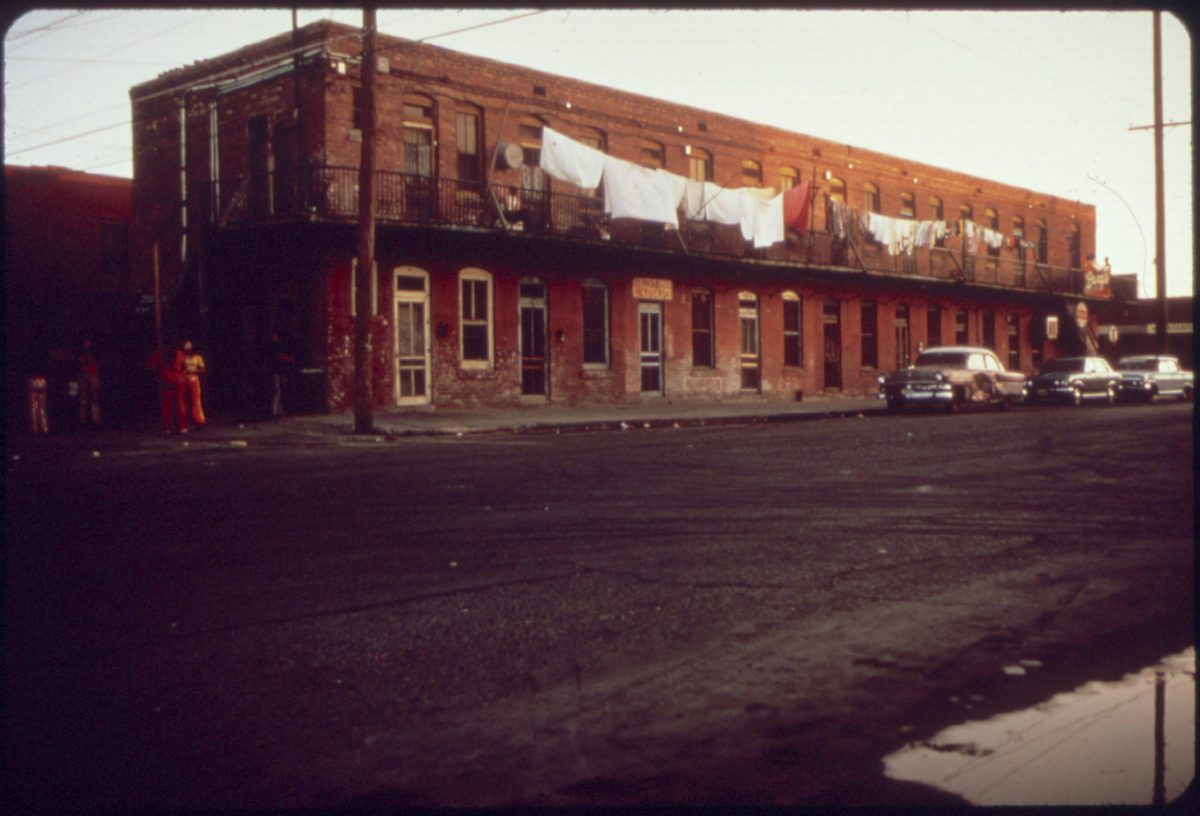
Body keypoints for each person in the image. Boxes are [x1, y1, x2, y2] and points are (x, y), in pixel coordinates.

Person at [147, 344, 187, 434]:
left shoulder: (160, 353)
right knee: (180, 403)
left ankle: (167, 428)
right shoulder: (180, 353)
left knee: (167, 404)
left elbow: (151, 366)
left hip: (166, 379)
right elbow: (184, 367)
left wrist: (158, 371)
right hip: (178, 379)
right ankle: (182, 426)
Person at [180, 339, 207, 430]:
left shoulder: (197, 357)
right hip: (184, 379)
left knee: (196, 401)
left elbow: (203, 369)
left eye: (189, 348)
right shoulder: (182, 357)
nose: (188, 350)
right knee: (185, 401)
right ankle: (186, 422)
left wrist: (193, 371)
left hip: (194, 379)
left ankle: (199, 421)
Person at [268, 332, 294, 418]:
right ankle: (275, 412)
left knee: (279, 391)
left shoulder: (276, 346)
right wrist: (288, 359)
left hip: (278, 371)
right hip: (275, 372)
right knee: (277, 391)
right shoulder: (274, 347)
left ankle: (279, 411)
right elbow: (279, 357)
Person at [77, 338, 101, 426]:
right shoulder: (81, 353)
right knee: (83, 399)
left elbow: (97, 366)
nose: (87, 343)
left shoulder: (95, 353)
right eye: (85, 341)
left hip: (92, 376)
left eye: (88, 341)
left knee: (94, 398)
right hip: (84, 377)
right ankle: (83, 419)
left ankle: (96, 419)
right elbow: (81, 365)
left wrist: (90, 368)